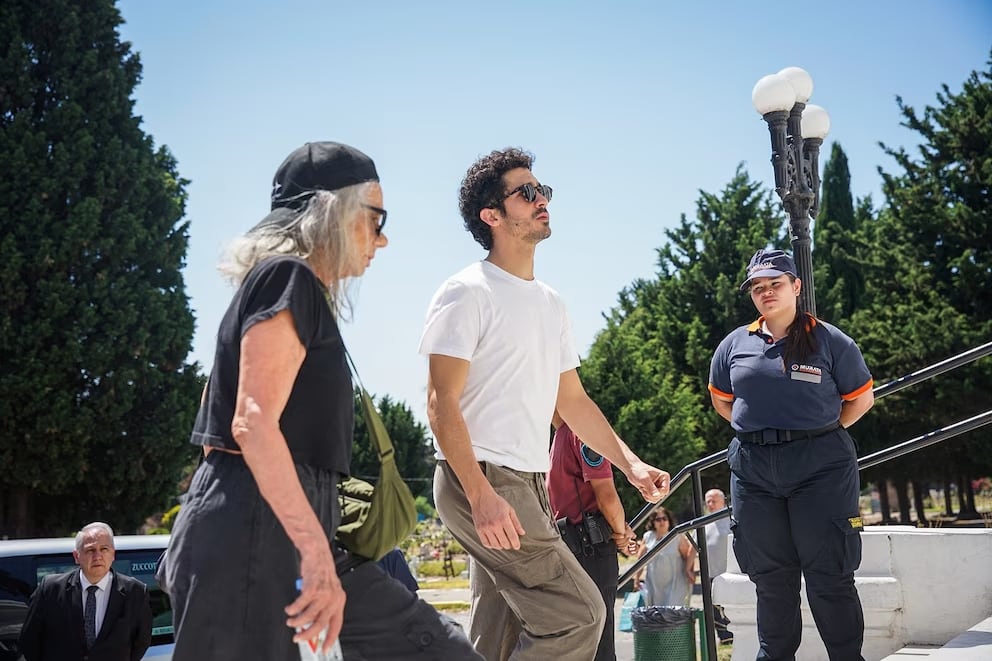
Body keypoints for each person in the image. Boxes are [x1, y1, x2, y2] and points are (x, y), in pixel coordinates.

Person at [158, 141, 482, 661]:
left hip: (282, 532)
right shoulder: (288, 277)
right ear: (332, 211)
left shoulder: (286, 289)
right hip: (257, 539)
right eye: (377, 218)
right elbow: (251, 421)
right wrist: (311, 554)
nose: (384, 238)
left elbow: (222, 420)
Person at [420, 147, 670, 661]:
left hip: (526, 482)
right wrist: (481, 494)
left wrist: (631, 464)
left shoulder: (550, 303)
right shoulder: (467, 291)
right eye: (526, 193)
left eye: (543, 191)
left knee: (500, 631)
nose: (542, 200)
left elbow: (572, 400)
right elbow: (439, 401)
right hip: (485, 479)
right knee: (580, 615)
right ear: (491, 216)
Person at [708, 248, 874, 660]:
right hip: (753, 470)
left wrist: (814, 434)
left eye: (775, 284)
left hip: (821, 468)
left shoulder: (830, 339)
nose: (766, 293)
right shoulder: (734, 344)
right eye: (758, 287)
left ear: (796, 287)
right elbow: (723, 401)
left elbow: (860, 400)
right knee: (771, 578)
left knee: (830, 575)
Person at [547, 412, 637, 661]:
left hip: (571, 547)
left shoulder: (558, 439)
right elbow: (606, 496)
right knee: (601, 644)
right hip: (591, 550)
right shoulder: (582, 432)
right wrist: (621, 533)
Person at [19, 522, 152, 661]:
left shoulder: (135, 592)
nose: (98, 556)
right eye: (90, 550)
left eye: (104, 549)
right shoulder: (50, 589)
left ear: (113, 554)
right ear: (77, 556)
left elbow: (142, 641)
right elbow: (29, 640)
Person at [633, 508, 696, 607]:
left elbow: (688, 556)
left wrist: (690, 572)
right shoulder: (648, 537)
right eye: (658, 519)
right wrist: (636, 579)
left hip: (675, 583)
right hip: (654, 584)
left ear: (669, 520)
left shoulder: (677, 536)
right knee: (656, 613)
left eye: (664, 518)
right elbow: (640, 560)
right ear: (653, 522)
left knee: (672, 612)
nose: (662, 522)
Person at [703, 488, 733, 643]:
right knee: (714, 608)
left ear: (723, 501)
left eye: (713, 500)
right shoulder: (704, 523)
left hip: (729, 572)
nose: (710, 504)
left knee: (729, 606)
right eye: (707, 500)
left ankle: (733, 634)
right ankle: (724, 637)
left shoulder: (731, 520)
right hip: (710, 573)